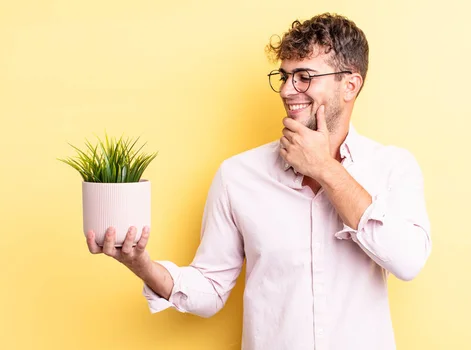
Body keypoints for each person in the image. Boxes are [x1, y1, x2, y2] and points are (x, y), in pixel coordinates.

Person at [86, 13, 432, 350]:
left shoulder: (392, 167)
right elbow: (211, 288)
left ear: (350, 85)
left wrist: (325, 169)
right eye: (283, 76)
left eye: (304, 76)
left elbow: (408, 260)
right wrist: (142, 265)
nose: (286, 90)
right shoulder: (238, 176)